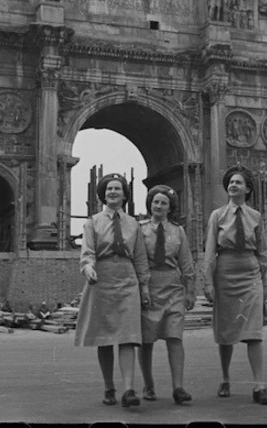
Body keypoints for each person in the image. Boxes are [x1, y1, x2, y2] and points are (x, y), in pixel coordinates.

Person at [74, 173, 151, 408]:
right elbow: (87, 252)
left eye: (118, 189)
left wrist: (144, 285)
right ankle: (109, 386)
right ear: (103, 195)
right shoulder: (93, 222)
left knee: (128, 336)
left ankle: (129, 389)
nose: (113, 193)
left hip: (127, 278)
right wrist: (88, 268)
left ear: (125, 195)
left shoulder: (133, 224)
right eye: (109, 189)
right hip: (102, 278)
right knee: (104, 337)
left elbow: (140, 257)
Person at [203, 164, 267, 405]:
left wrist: (263, 279)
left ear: (248, 188)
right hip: (226, 272)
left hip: (251, 273)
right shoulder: (218, 215)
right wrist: (208, 282)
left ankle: (259, 385)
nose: (233, 185)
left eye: (238, 182)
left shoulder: (256, 216)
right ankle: (225, 378)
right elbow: (210, 250)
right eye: (231, 182)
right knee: (226, 331)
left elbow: (263, 250)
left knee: (254, 331)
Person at [138, 185, 196, 405]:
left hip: (173, 287)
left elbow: (186, 262)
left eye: (163, 203)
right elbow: (140, 261)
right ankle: (148, 385)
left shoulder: (177, 231)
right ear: (150, 205)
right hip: (150, 287)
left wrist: (190, 290)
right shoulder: (140, 230)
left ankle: (178, 387)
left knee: (175, 338)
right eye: (155, 202)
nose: (159, 206)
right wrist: (143, 287)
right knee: (147, 340)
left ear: (170, 207)